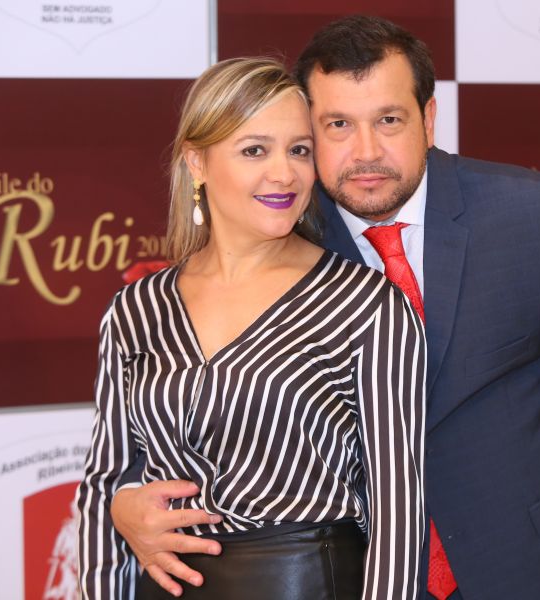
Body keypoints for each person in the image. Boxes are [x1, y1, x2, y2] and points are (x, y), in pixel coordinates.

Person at [110, 16, 540, 600]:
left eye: (388, 120)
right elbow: (197, 413)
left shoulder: (534, 218)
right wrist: (124, 502)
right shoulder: (284, 233)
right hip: (363, 580)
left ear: (427, 120)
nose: (366, 152)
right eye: (338, 125)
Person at [75, 56, 426, 600]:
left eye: (299, 150)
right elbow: (106, 485)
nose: (284, 173)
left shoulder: (364, 304)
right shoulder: (137, 310)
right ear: (197, 162)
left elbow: (398, 512)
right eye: (255, 150)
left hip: (306, 584)